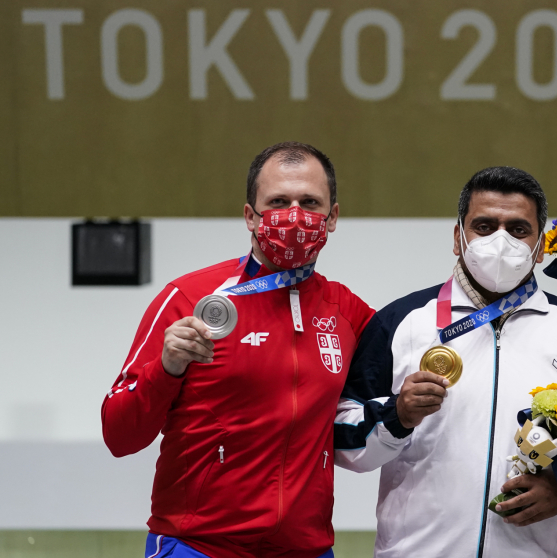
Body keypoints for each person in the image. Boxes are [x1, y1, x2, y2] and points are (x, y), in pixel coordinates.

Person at [101, 142, 374, 558]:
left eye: (310, 202)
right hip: (198, 546)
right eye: (279, 202)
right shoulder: (190, 298)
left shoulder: (347, 311)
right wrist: (167, 367)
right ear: (250, 216)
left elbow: (413, 355)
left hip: (306, 549)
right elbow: (119, 435)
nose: (296, 216)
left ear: (332, 217)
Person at [333, 167, 557, 558]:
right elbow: (341, 440)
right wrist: (396, 415)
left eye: (519, 229)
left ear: (539, 247)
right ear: (458, 237)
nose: (500, 240)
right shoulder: (401, 322)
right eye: (484, 226)